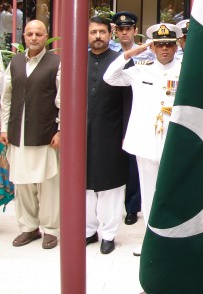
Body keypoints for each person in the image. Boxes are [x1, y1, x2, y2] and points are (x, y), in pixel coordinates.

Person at [103, 22, 182, 256]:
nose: (164, 49)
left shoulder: (186, 70)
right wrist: (130, 53)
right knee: (149, 192)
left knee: (174, 191)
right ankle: (152, 238)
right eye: (159, 45)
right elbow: (110, 77)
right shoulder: (141, 69)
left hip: (175, 142)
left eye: (168, 44)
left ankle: (174, 238)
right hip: (147, 142)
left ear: (176, 45)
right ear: (153, 47)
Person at [1, 20, 60, 250]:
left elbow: (62, 99)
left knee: (49, 185)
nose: (34, 38)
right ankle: (28, 228)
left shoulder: (56, 63)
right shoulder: (14, 63)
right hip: (18, 134)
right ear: (23, 37)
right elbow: (6, 98)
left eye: (38, 34)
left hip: (45, 134)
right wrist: (3, 127)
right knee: (23, 184)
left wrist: (61, 129)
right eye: (30, 34)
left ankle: (51, 230)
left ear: (46, 36)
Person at [85, 16, 130, 255]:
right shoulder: (78, 60)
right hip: (82, 134)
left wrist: (125, 133)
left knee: (110, 185)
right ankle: (88, 231)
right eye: (93, 32)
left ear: (109, 34)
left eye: (102, 32)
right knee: (85, 184)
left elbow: (127, 102)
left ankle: (109, 234)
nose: (98, 36)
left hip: (112, 132)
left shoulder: (119, 61)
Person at [110, 11, 144, 226]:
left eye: (128, 29)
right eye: (120, 29)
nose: (124, 32)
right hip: (111, 114)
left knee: (134, 165)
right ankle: (110, 209)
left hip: (134, 113)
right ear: (115, 31)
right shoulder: (108, 55)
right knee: (112, 164)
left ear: (135, 31)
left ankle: (132, 207)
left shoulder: (145, 57)